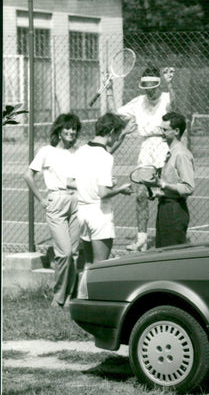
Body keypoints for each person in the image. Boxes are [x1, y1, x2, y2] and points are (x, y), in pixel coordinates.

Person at [22, 113, 82, 307]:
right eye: (67, 128)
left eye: (74, 129)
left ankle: (69, 297)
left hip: (76, 201)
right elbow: (28, 176)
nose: (71, 132)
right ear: (59, 130)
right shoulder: (47, 151)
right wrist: (41, 200)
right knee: (63, 253)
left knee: (73, 253)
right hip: (56, 201)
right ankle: (58, 298)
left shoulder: (77, 153)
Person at [113, 66, 175, 251]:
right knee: (140, 195)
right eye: (146, 85)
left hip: (165, 145)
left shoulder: (166, 97)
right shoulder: (138, 101)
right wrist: (109, 92)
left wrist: (170, 83)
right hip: (146, 148)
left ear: (158, 83)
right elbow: (116, 114)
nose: (149, 89)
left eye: (153, 85)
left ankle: (169, 240)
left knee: (166, 195)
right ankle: (142, 239)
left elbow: (176, 108)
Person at [74, 113, 133, 264]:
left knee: (87, 263)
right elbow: (103, 193)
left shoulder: (81, 151)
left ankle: (81, 289)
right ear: (112, 132)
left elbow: (81, 180)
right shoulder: (106, 157)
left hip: (82, 213)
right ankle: (93, 289)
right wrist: (121, 189)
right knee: (100, 266)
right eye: (117, 134)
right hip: (99, 215)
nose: (116, 138)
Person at [153, 112, 195, 247]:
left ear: (176, 131)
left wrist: (163, 184)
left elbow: (188, 188)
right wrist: (157, 192)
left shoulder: (181, 154)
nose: (161, 133)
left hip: (174, 210)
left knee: (171, 256)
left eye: (165, 130)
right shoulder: (172, 152)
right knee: (161, 252)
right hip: (165, 207)